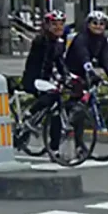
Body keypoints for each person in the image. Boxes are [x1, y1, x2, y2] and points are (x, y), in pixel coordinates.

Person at [21, 10, 74, 156]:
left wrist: (67, 76)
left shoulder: (59, 43)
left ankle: (54, 148)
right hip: (34, 78)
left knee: (57, 110)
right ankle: (29, 113)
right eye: (54, 24)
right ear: (47, 26)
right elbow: (42, 63)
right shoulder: (41, 41)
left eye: (61, 24)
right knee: (54, 93)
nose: (58, 27)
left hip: (45, 80)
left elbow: (60, 62)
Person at [65, 10, 108, 92]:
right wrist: (90, 72)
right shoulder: (81, 38)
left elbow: (105, 59)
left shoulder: (103, 40)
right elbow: (83, 56)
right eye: (95, 23)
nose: (98, 26)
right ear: (88, 24)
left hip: (84, 72)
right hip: (71, 71)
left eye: (101, 24)